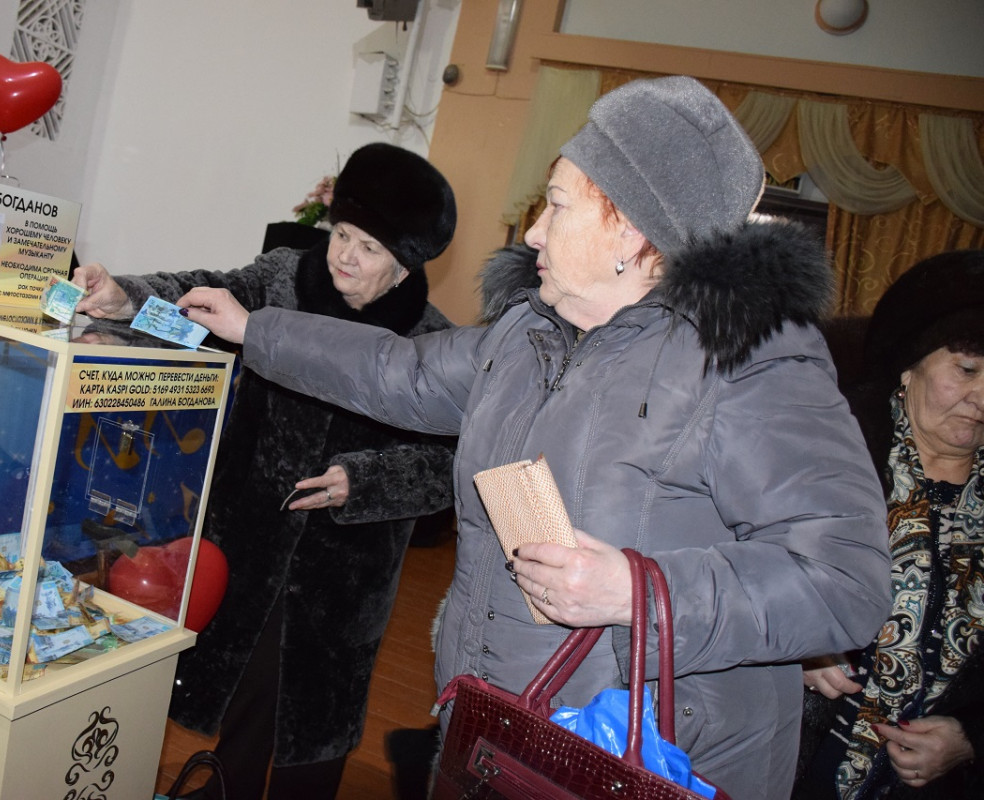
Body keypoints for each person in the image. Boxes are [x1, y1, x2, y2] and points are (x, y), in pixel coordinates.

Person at [176, 75, 893, 800]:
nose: (534, 233)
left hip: (640, 756)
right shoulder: (529, 330)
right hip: (494, 730)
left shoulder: (748, 361)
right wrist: (253, 328)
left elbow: (844, 578)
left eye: (557, 205)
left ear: (630, 229)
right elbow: (399, 372)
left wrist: (637, 591)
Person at [72, 142, 458, 800]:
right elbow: (201, 299)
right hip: (251, 530)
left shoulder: (431, 342)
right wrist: (125, 298)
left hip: (347, 564)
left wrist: (363, 480)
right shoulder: (285, 279)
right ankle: (227, 787)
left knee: (315, 707)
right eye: (342, 234)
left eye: (368, 248)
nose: (343, 255)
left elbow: (447, 462)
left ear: (405, 263)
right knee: (247, 679)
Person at [794, 250, 984, 799]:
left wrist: (971, 738)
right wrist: (795, 643)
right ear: (910, 365)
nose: (981, 397)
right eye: (967, 370)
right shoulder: (825, 454)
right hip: (799, 752)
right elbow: (740, 562)